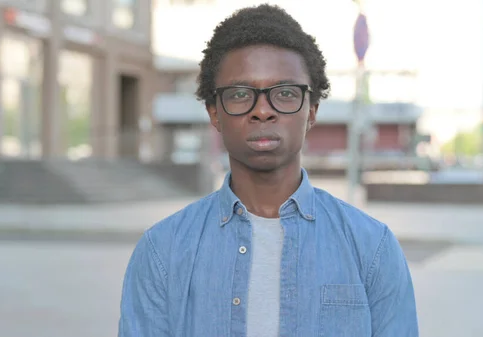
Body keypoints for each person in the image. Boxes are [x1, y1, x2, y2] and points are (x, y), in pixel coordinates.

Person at [118, 4, 418, 337]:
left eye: (286, 93)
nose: (263, 111)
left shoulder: (372, 246)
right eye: (241, 94)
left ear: (312, 111)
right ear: (214, 113)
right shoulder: (163, 250)